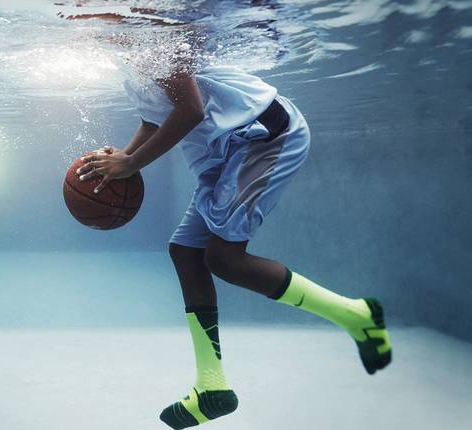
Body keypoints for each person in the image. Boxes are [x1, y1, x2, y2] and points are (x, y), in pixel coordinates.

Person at [70, 11, 393, 430]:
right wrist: (126, 158)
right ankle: (212, 386)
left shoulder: (156, 41)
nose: (81, 22)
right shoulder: (132, 60)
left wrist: (132, 163)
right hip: (227, 154)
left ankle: (357, 315)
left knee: (224, 258)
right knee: (187, 252)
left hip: (265, 138)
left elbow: (189, 111)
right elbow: (155, 116)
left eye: (86, 12)